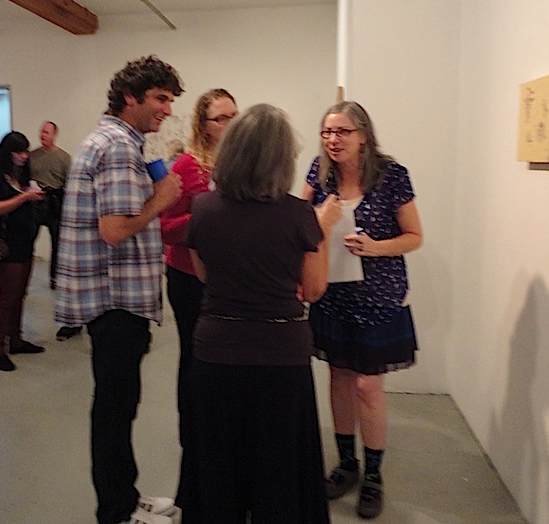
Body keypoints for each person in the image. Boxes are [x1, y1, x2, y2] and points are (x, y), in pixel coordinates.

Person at [180, 104, 340, 524]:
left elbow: (204, 276)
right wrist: (322, 230)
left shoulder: (204, 209)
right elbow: (314, 290)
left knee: (219, 465)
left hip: (216, 351)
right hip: (280, 355)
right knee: (279, 468)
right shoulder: (299, 215)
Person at [54, 55, 184, 524]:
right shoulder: (118, 148)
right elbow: (114, 230)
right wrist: (162, 200)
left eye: (170, 100)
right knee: (114, 409)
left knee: (118, 406)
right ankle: (115, 511)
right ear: (131, 97)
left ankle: (124, 498)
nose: (167, 109)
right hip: (115, 302)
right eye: (160, 98)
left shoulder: (116, 141)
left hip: (113, 301)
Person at [301, 101, 423, 519]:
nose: (333, 140)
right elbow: (298, 222)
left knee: (368, 386)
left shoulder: (391, 175)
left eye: (343, 132)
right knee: (339, 378)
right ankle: (347, 464)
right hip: (333, 294)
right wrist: (317, 220)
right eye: (327, 132)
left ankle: (373, 473)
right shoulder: (319, 173)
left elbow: (414, 236)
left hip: (379, 298)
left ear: (364, 136)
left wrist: (376, 247)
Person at [159, 88, 237, 505]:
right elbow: (166, 228)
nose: (229, 124)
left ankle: (223, 436)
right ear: (203, 125)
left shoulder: (240, 164)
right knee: (194, 359)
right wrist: (210, 216)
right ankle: (193, 438)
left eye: (233, 116)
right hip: (189, 278)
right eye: (220, 118)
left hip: (229, 280)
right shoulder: (185, 167)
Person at [0, 131, 46, 372]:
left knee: (20, 294)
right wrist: (25, 197)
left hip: (24, 242)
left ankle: (16, 340)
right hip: (6, 245)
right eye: (19, 152)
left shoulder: (21, 175)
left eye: (26, 151)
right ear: (8, 153)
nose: (24, 156)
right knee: (6, 298)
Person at [29, 121, 71, 295]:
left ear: (54, 135)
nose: (43, 135)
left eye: (46, 132)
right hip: (35, 202)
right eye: (41, 132)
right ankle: (25, 278)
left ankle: (55, 278)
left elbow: (69, 183)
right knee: (28, 240)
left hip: (55, 202)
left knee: (57, 243)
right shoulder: (32, 156)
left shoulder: (64, 158)